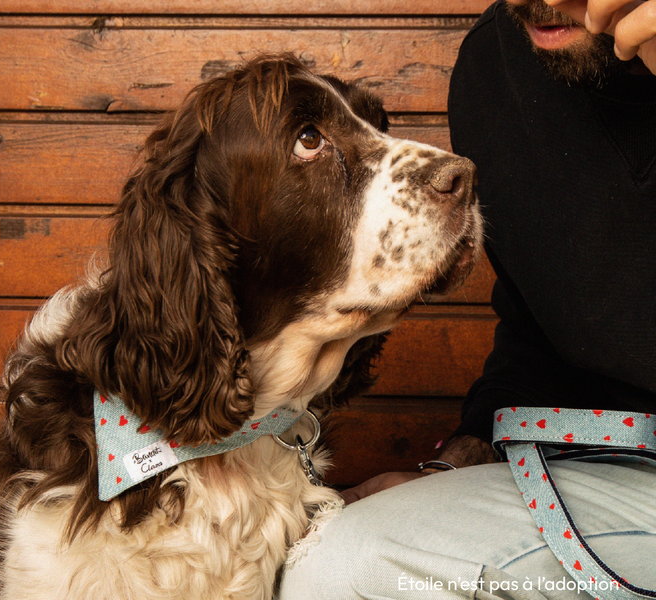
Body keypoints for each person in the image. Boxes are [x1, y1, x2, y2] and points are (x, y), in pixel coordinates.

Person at [278, 1, 656, 598]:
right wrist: (463, 457)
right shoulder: (498, 63)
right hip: (606, 471)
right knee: (331, 565)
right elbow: (543, 325)